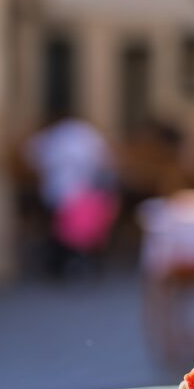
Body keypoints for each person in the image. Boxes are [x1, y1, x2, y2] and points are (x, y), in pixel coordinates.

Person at [23, 113, 117, 276]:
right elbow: (105, 162)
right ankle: (80, 260)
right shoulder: (88, 136)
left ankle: (58, 264)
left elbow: (32, 157)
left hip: (55, 193)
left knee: (57, 230)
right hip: (82, 195)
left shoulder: (52, 136)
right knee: (80, 229)